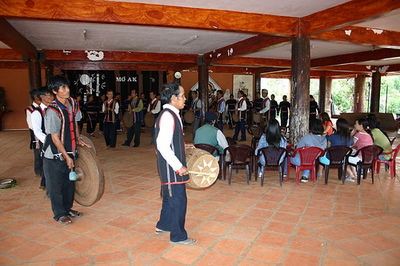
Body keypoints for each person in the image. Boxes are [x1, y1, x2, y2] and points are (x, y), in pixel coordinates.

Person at [43, 75, 89, 225]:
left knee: (70, 183)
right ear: (55, 91)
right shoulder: (52, 111)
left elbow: (75, 122)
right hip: (55, 154)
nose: (67, 90)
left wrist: (78, 139)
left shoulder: (73, 103)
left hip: (70, 149)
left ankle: (68, 208)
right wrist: (66, 157)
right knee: (56, 185)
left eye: (67, 86)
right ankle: (59, 214)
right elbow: (55, 138)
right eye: (63, 88)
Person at [155, 82, 196, 245]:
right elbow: (162, 145)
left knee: (168, 197)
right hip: (171, 168)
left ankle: (163, 225)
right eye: (183, 95)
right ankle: (178, 236)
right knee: (178, 199)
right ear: (173, 98)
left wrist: (183, 145)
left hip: (170, 167)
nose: (185, 99)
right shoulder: (167, 116)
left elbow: (170, 140)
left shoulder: (173, 113)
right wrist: (178, 166)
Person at [31, 86, 53, 190]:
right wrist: (48, 140)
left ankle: (47, 183)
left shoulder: (54, 109)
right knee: (46, 162)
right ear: (41, 97)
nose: (50, 98)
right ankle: (46, 184)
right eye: (47, 95)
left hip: (56, 140)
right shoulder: (37, 112)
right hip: (46, 141)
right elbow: (37, 131)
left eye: (51, 95)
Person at [25, 89, 41, 176]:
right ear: (34, 98)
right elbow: (31, 125)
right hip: (36, 134)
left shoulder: (43, 107)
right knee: (37, 153)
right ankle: (38, 170)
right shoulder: (30, 109)